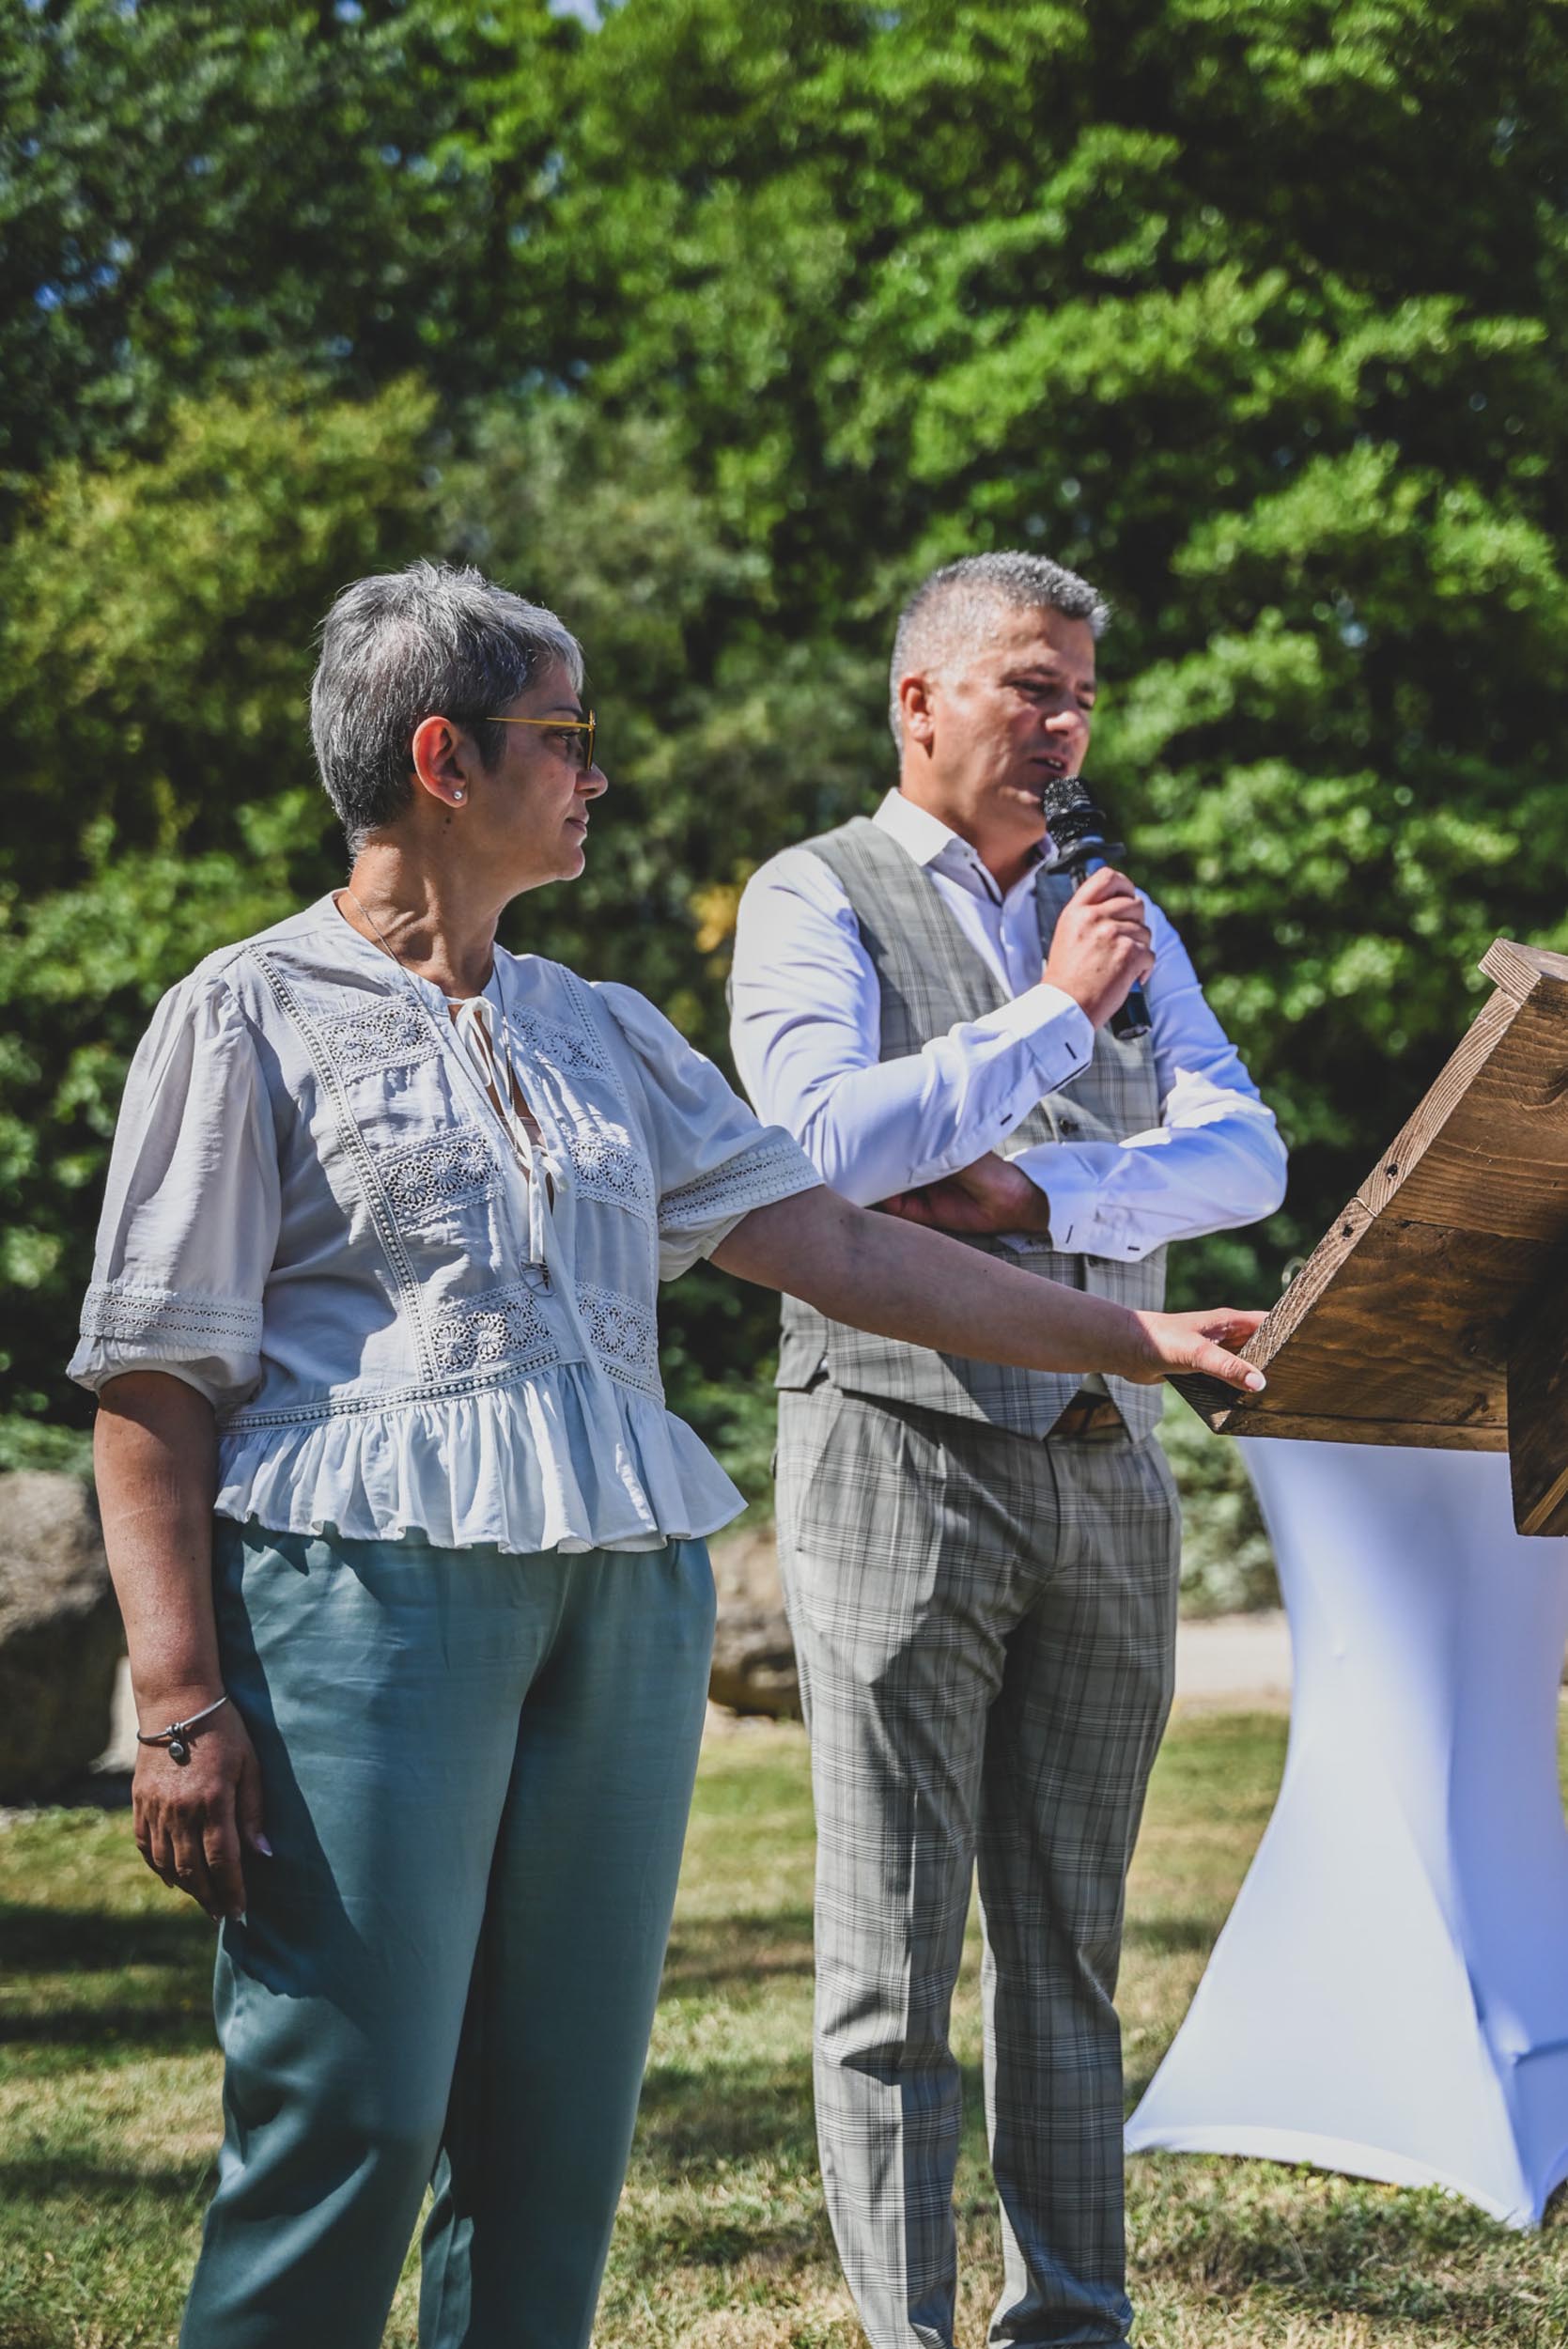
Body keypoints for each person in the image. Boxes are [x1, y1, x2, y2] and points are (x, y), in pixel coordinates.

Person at [72, 560, 1265, 2349]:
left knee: (558, 2135)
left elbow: (841, 1245)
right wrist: (177, 1699)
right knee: (353, 2116)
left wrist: (1133, 1333)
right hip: (362, 1606)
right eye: (564, 738)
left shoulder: (602, 1027)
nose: (595, 776)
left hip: (624, 1601)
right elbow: (151, 1381)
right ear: (440, 759)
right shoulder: (244, 1014)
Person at [729, 550, 1289, 2349]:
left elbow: (1246, 1158)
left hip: (1106, 1457)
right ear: (920, 701)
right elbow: (819, 1146)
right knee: (886, 1957)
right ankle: (905, 2333)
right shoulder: (807, 896)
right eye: (1027, 688)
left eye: (1079, 696)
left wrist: (1034, 1182)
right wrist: (1047, 1014)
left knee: (1066, 1949)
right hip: (892, 1446)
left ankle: (1073, 2323)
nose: (1063, 727)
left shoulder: (1121, 912)